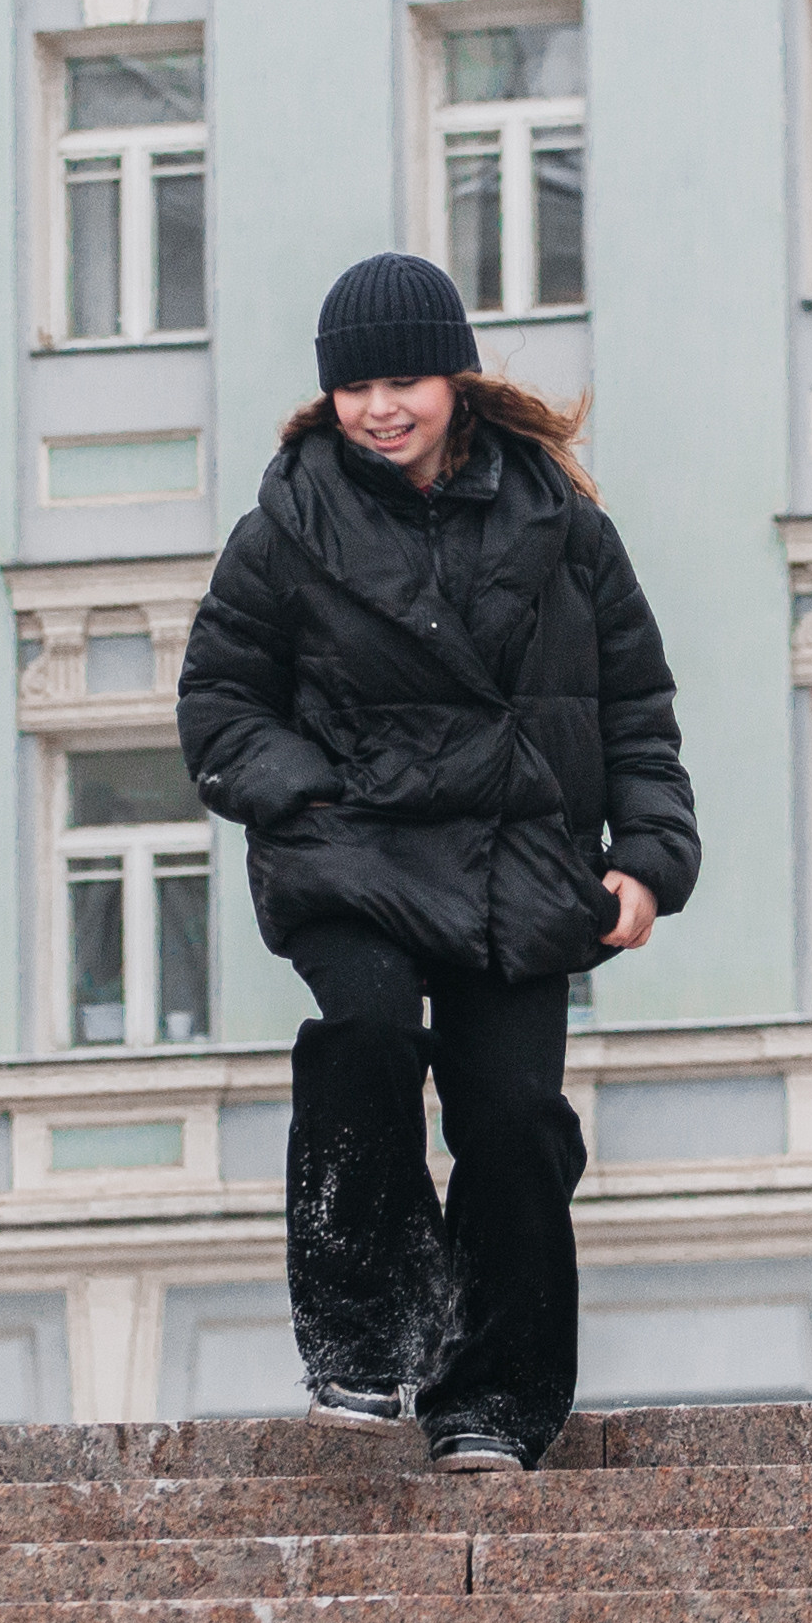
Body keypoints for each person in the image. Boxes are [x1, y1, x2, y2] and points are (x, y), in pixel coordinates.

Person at [177, 252, 701, 1472]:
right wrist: (313, 798)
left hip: (516, 864)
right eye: (355, 386)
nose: (379, 409)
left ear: (455, 380)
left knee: (513, 1119)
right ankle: (369, 1331)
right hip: (352, 859)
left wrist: (652, 857)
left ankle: (497, 1399)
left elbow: (633, 703)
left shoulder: (566, 526)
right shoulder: (287, 528)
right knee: (363, 1039)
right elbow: (219, 705)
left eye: (403, 378)